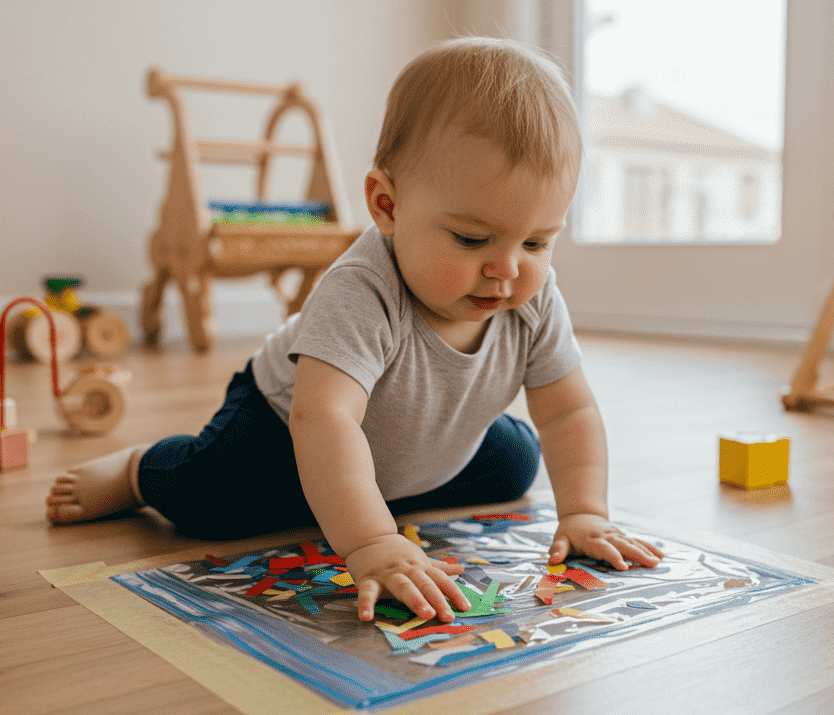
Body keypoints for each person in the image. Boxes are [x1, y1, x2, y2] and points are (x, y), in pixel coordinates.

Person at [46, 36, 663, 624]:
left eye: (536, 241)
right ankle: (139, 468)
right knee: (212, 501)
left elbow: (567, 413)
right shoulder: (362, 289)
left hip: (419, 442)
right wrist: (372, 543)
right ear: (387, 206)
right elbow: (326, 420)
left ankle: (373, 492)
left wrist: (584, 513)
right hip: (287, 428)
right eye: (472, 238)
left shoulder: (532, 297)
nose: (506, 268)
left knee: (518, 460)